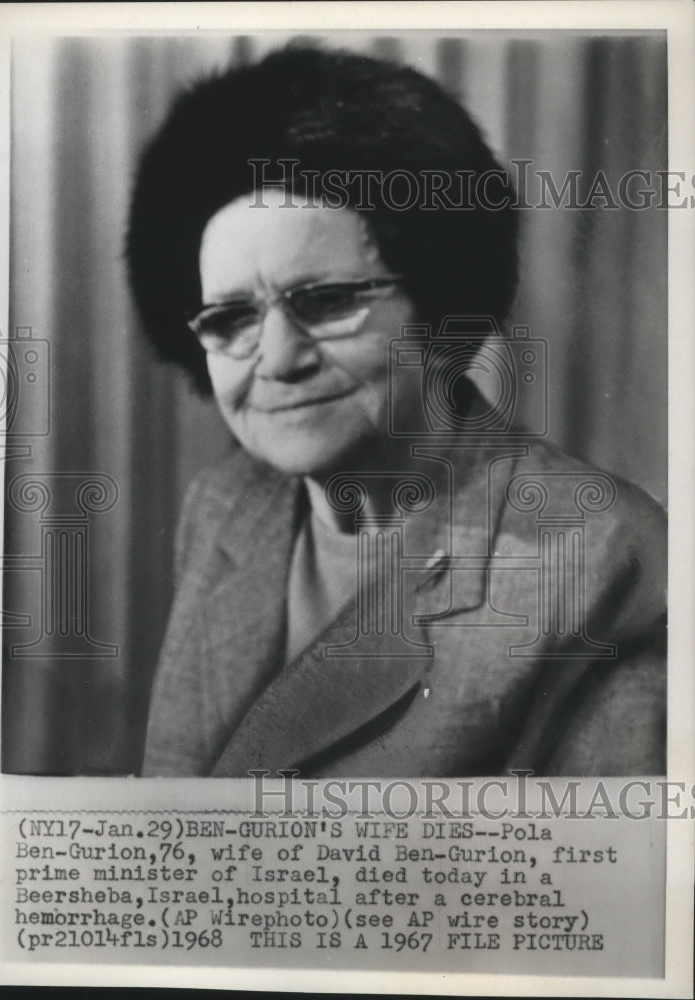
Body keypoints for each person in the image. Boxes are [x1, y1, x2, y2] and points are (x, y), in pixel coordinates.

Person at [126, 44, 666, 778]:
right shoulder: (223, 508)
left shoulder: (597, 556)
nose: (278, 359)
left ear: (437, 300)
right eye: (229, 319)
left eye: (327, 302)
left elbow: (595, 884)